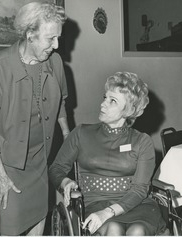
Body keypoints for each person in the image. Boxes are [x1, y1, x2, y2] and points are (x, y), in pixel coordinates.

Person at [0, 1, 69, 235]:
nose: (56, 45)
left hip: (40, 155)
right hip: (7, 161)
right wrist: (0, 176)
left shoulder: (55, 63)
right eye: (50, 39)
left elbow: (61, 106)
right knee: (12, 223)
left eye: (58, 38)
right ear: (30, 34)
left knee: (40, 216)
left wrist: (69, 142)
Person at [49, 72, 166, 236]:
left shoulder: (142, 141)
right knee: (114, 229)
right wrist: (65, 181)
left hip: (136, 205)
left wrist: (108, 212)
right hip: (95, 204)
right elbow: (56, 168)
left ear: (128, 110)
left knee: (137, 231)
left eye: (113, 101)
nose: (103, 104)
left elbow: (139, 190)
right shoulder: (81, 133)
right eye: (105, 97)